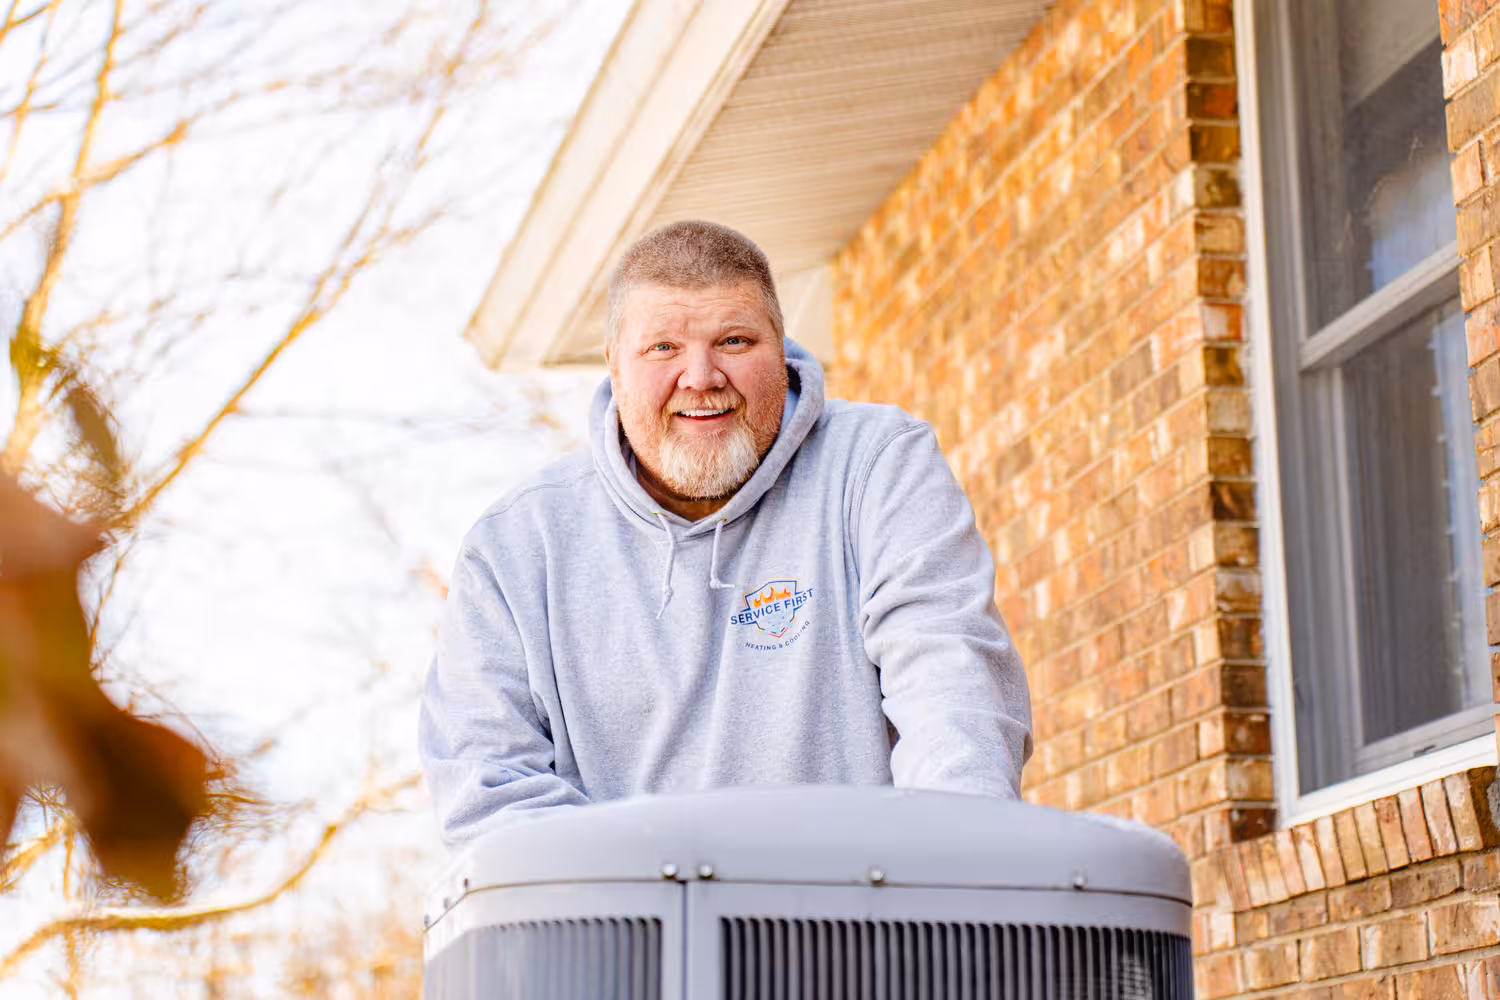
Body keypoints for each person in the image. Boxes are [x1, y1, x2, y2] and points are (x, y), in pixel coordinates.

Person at [418, 220, 1032, 848]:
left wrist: (961, 860)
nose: (701, 376)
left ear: (781, 346)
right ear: (613, 365)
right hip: (633, 937)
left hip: (863, 927)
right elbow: (488, 788)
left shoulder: (876, 467)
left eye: (734, 341)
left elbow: (953, 693)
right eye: (663, 348)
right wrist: (682, 908)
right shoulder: (516, 548)